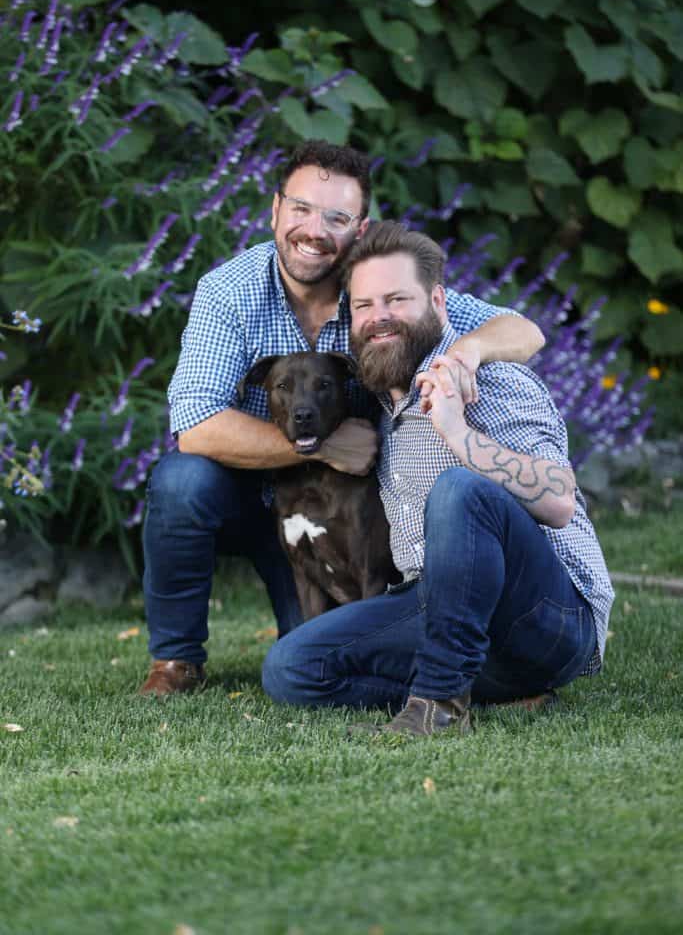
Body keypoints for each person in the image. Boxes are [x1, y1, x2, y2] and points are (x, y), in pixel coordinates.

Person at [139, 142, 545, 696]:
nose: (314, 229)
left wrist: (463, 356)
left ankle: (461, 671)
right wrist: (323, 445)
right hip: (257, 496)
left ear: (360, 228)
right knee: (180, 481)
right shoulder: (229, 292)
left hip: (345, 512)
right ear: (275, 210)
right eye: (301, 209)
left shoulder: (376, 293)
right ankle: (176, 662)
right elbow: (195, 424)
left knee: (307, 656)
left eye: (336, 217)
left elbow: (525, 332)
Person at [262, 220, 614, 737]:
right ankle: (500, 694)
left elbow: (559, 501)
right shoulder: (379, 397)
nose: (380, 318)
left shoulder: (490, 380)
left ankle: (439, 706)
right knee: (290, 669)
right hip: (437, 604)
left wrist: (456, 432)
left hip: (547, 618)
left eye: (397, 299)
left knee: (460, 489)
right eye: (364, 306)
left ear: (439, 303)